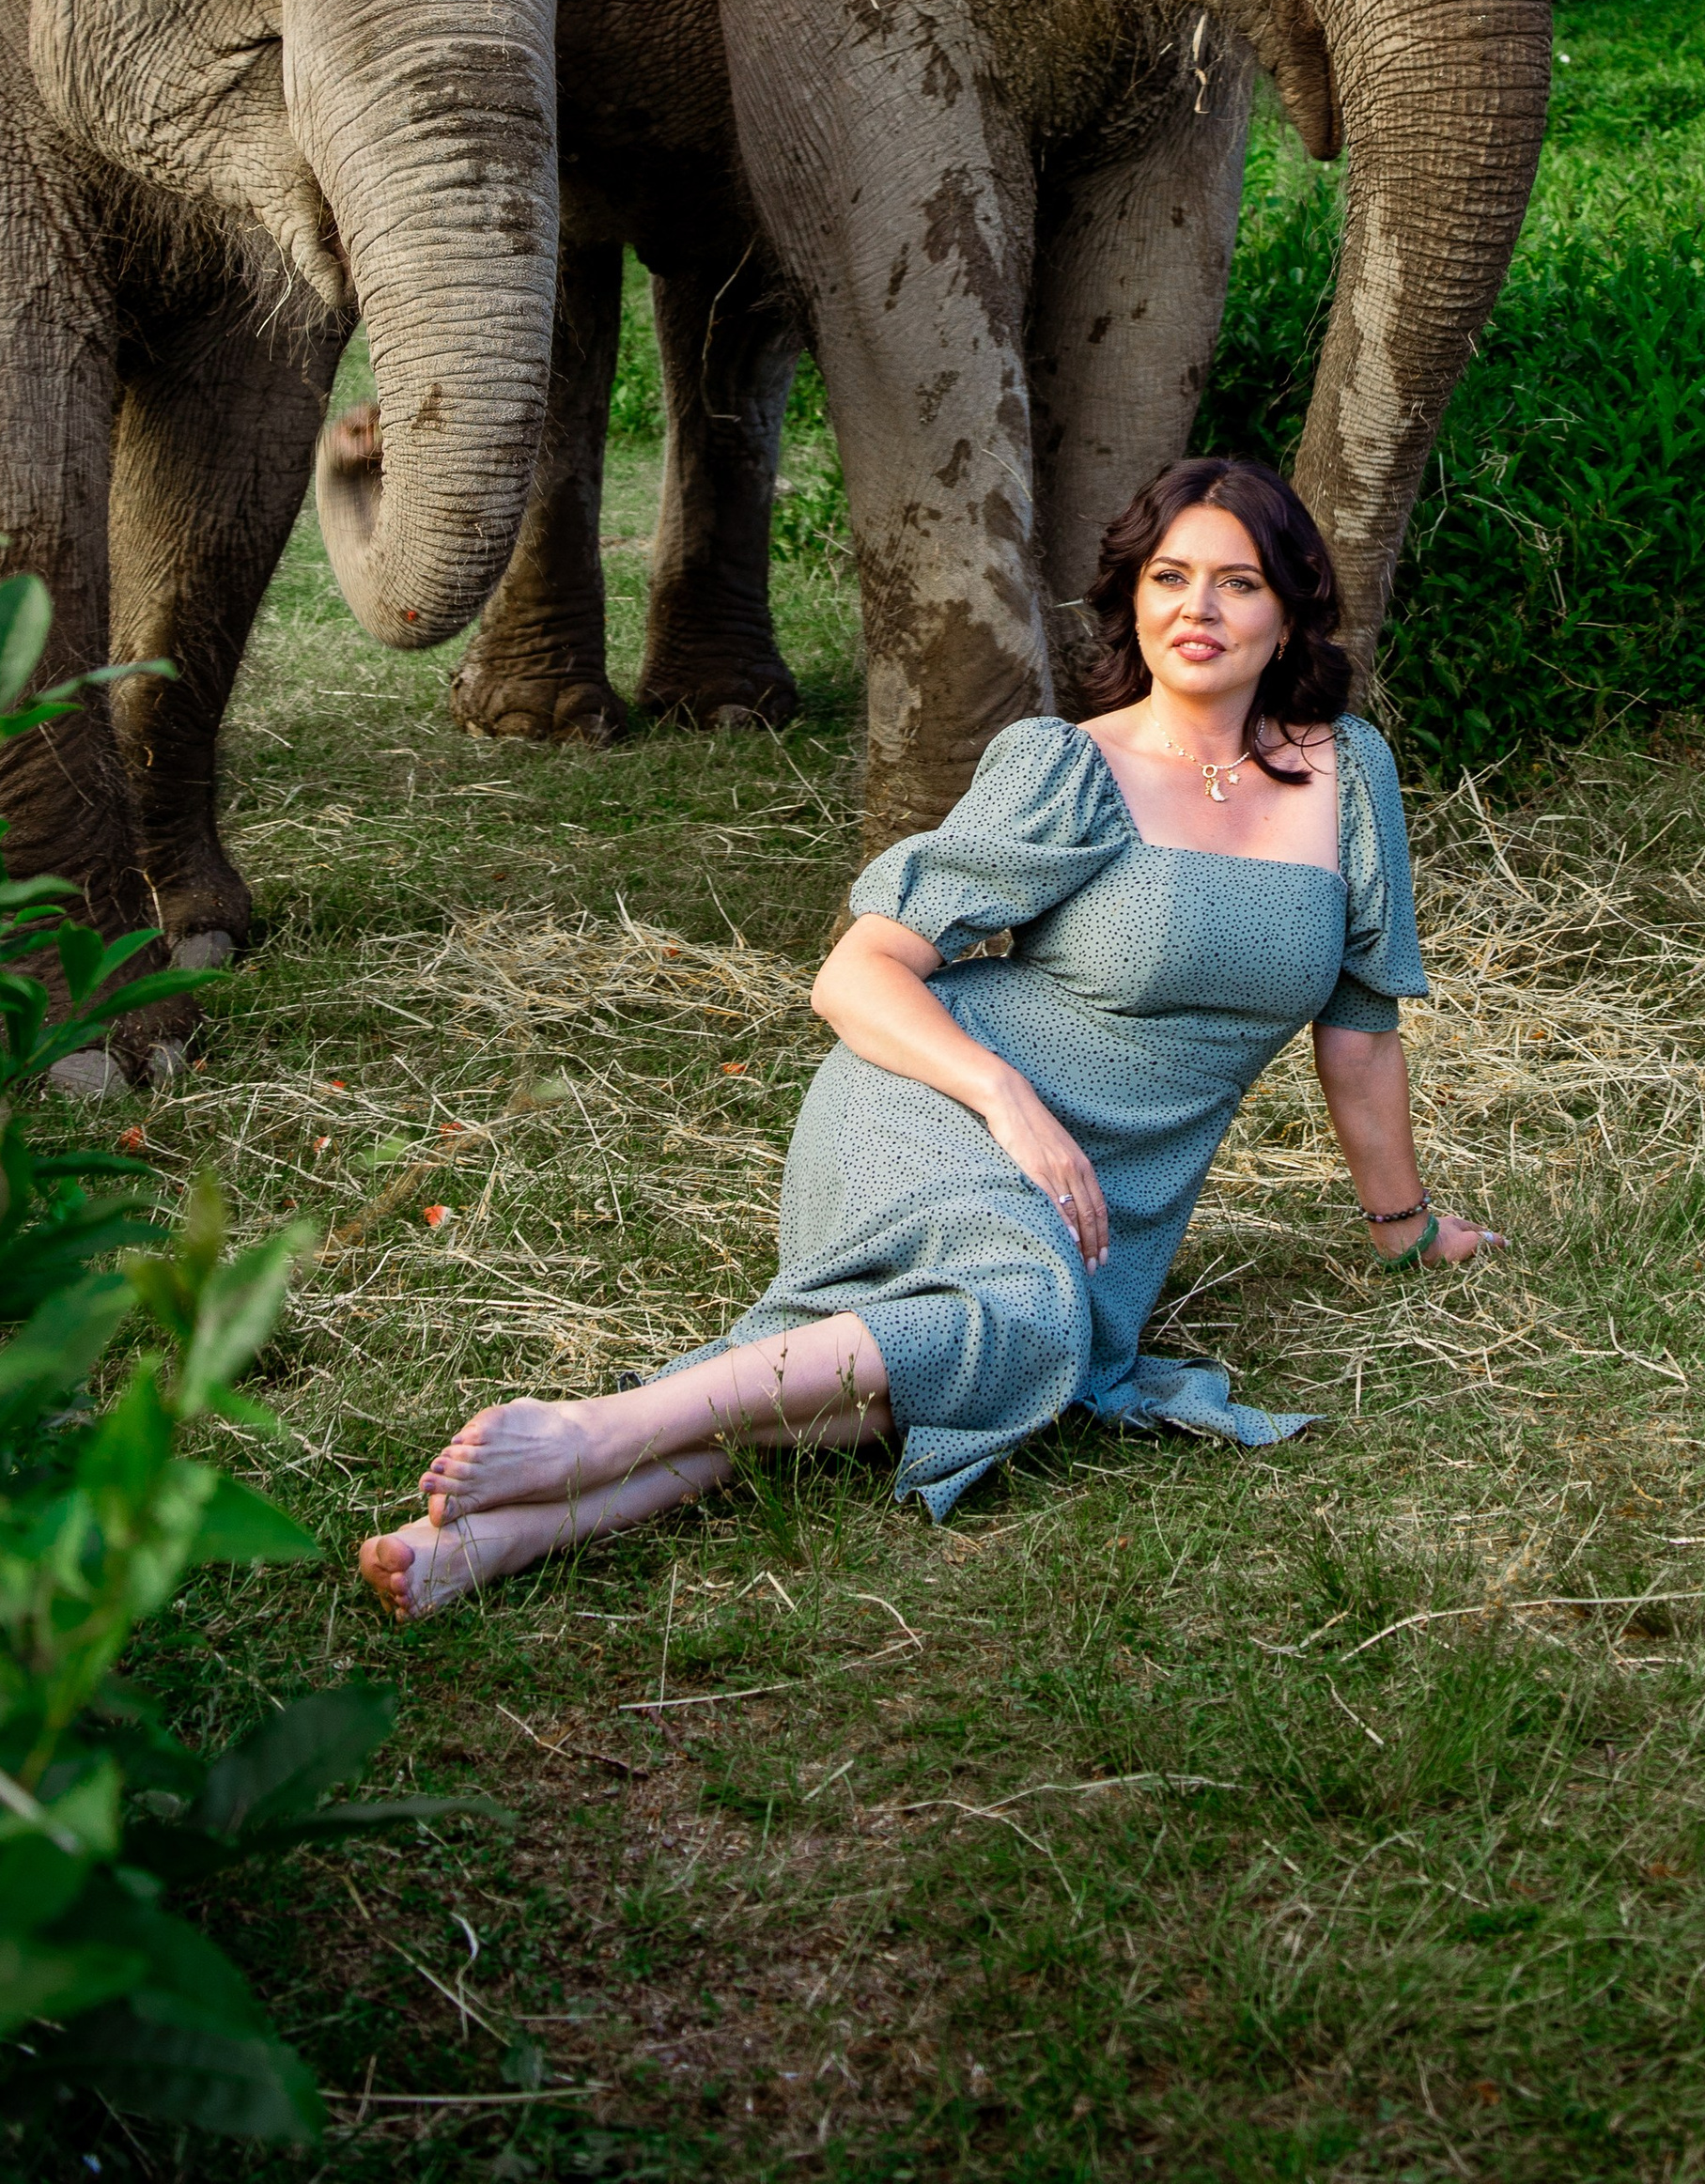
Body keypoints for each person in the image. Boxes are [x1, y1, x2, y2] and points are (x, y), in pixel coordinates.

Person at [360, 456, 1497, 1619]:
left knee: (967, 1344)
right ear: (1131, 596)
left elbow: (1358, 1028)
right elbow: (857, 973)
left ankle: (502, 1537)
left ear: (1292, 606)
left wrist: (1402, 1231)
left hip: (1111, 1193)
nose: (1195, 610)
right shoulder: (1070, 767)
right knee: (1016, 1318)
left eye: (1236, 582)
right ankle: (595, 1430)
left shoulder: (1346, 775)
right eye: (1169, 576)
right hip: (937, 1100)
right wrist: (1002, 1096)